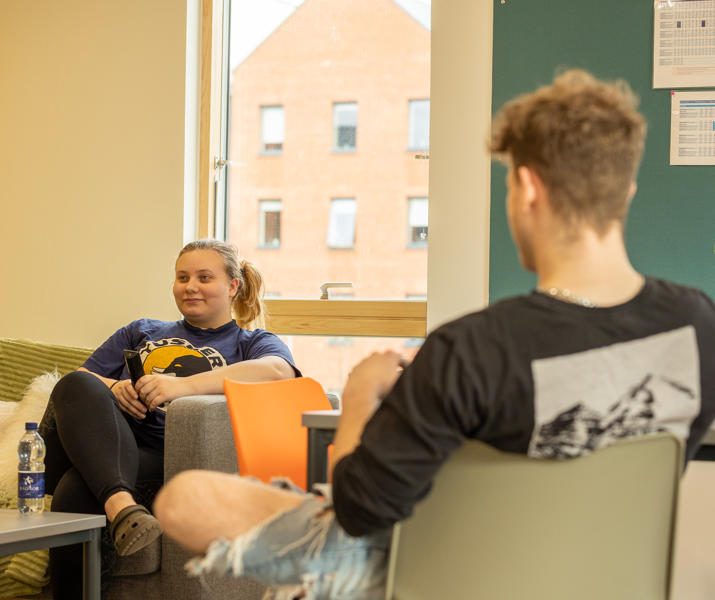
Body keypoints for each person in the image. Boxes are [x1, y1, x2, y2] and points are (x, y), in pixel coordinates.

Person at [153, 71, 715, 599]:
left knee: (185, 498)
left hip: (456, 573)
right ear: (629, 188)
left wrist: (357, 405)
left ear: (527, 188)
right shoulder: (698, 322)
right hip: (602, 573)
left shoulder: (469, 349)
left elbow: (358, 510)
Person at [41, 239, 300, 599]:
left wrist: (183, 386)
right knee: (75, 382)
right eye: (183, 277)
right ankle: (123, 507)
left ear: (233, 286)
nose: (191, 286)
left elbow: (278, 371)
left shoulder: (250, 342)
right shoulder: (142, 330)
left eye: (204, 277)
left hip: (167, 462)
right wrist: (115, 387)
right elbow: (82, 381)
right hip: (107, 445)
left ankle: (117, 506)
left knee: (75, 487)